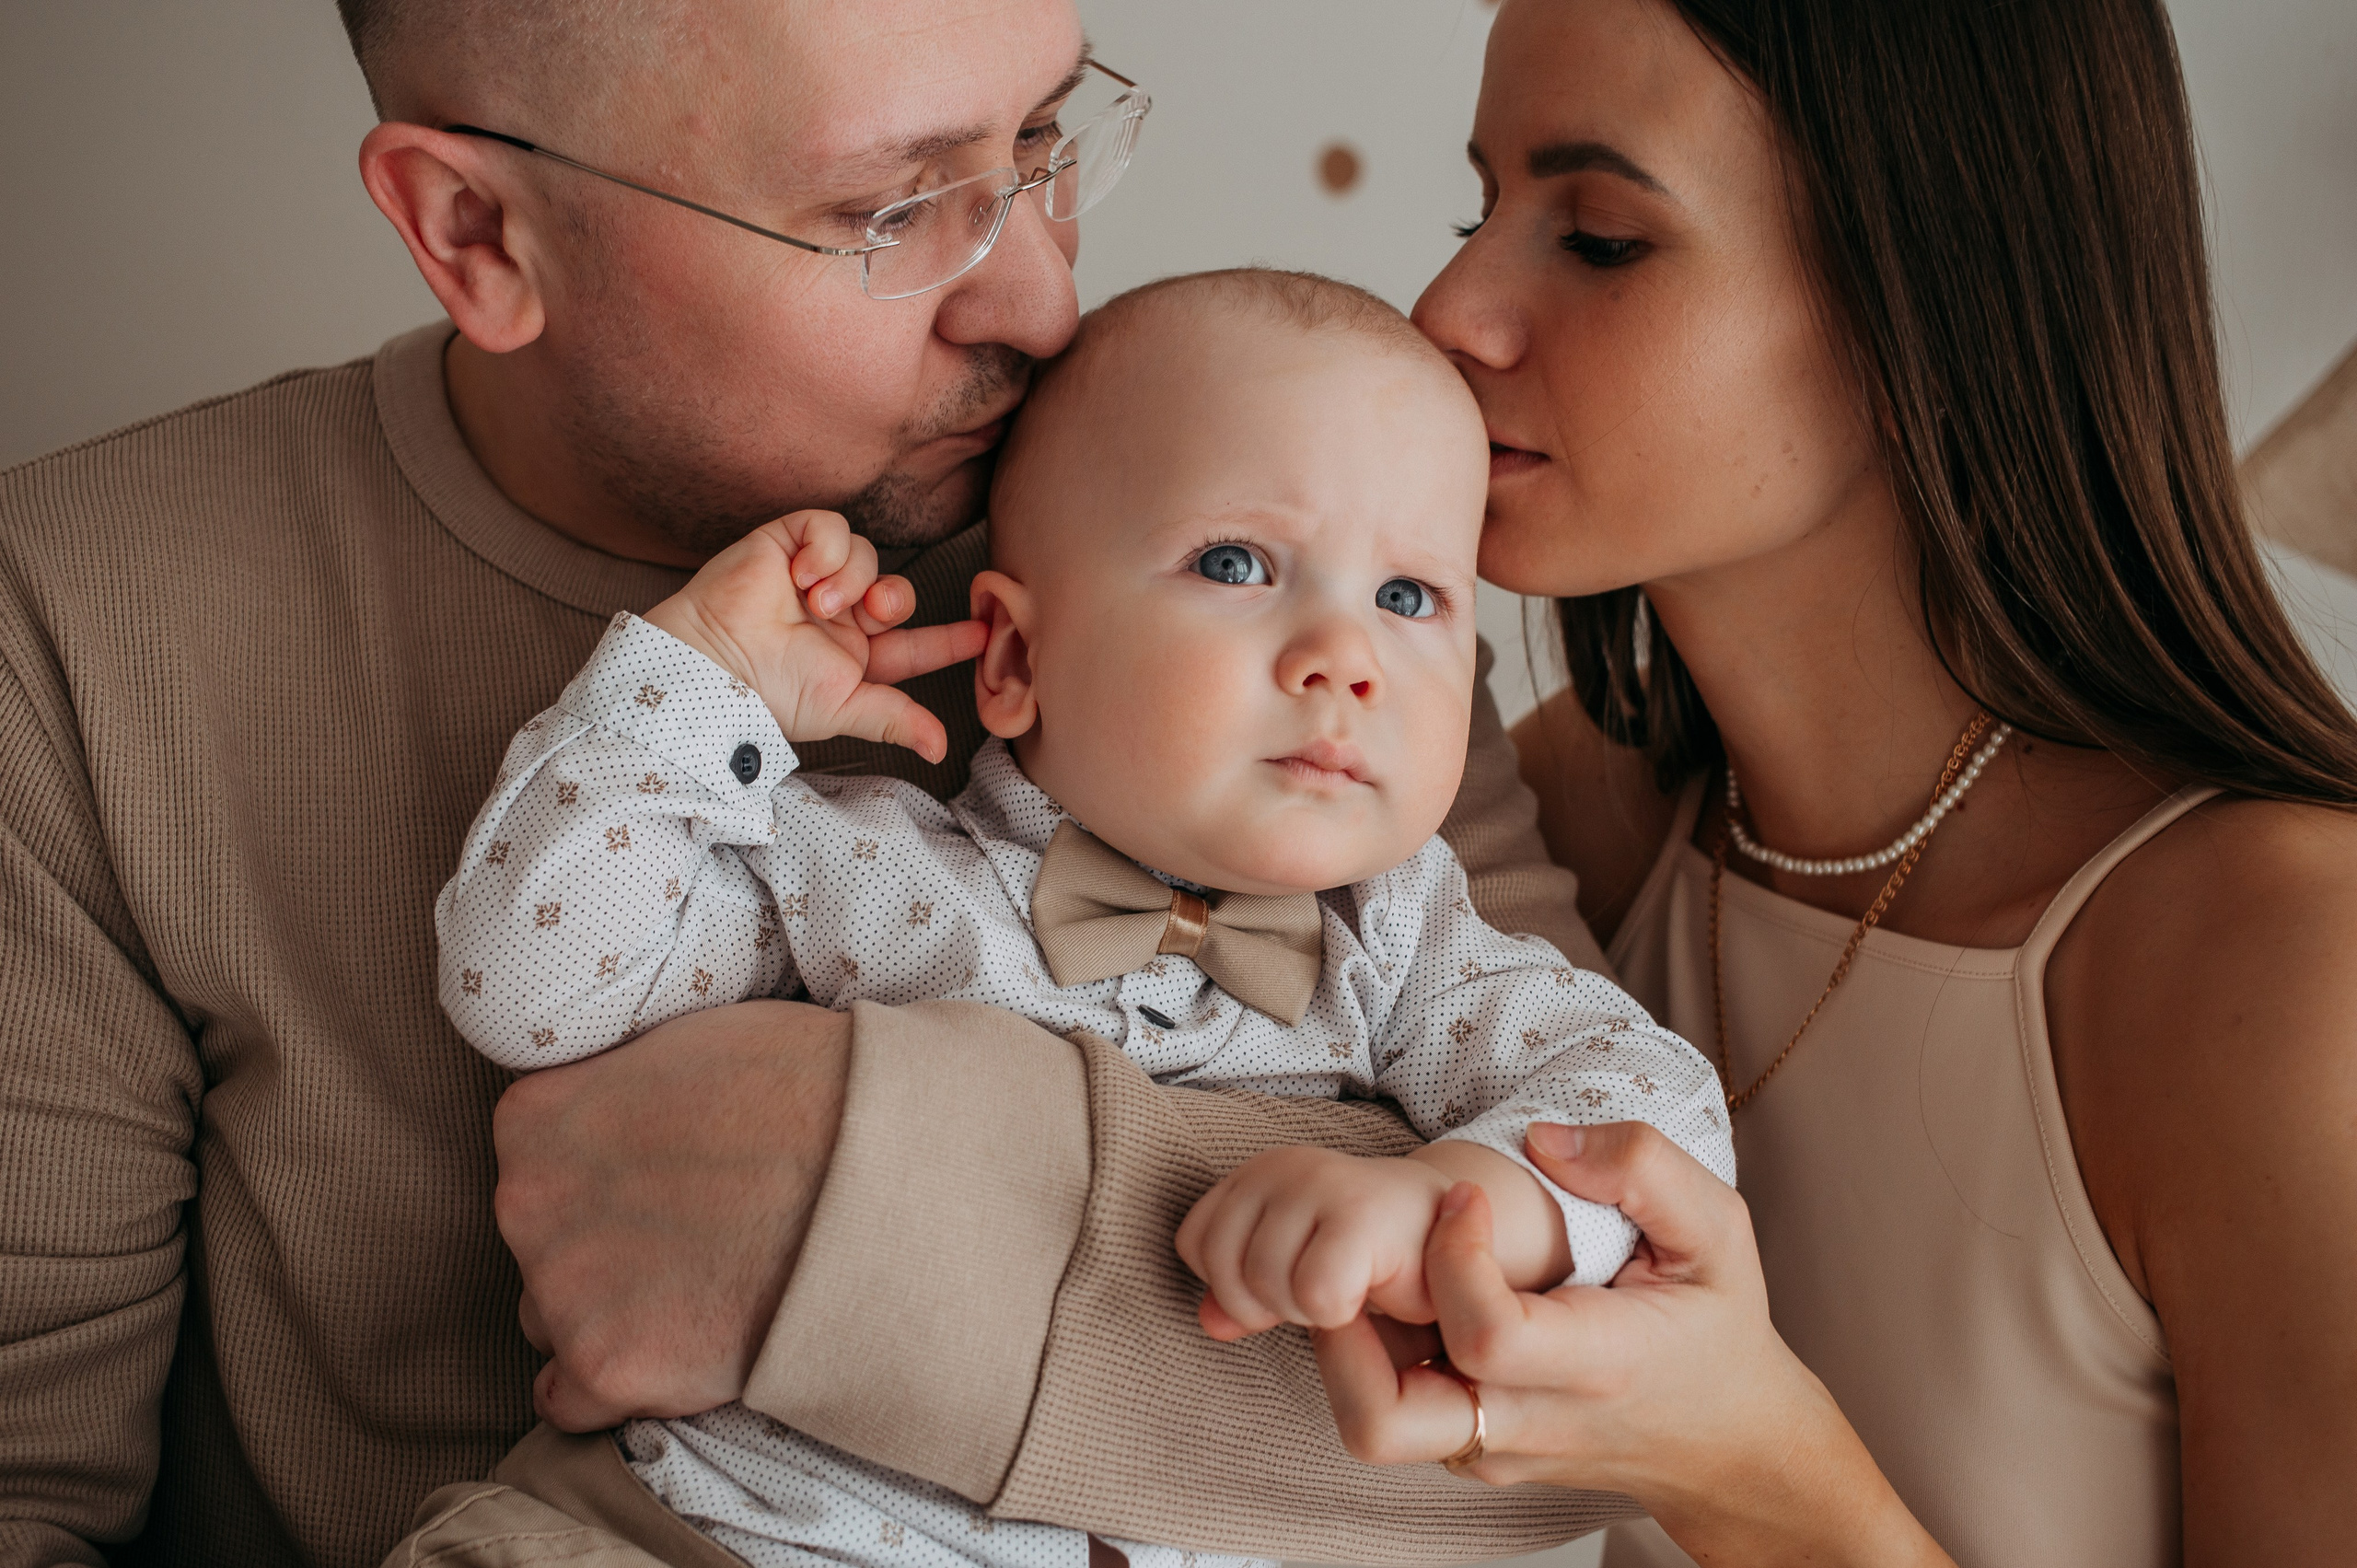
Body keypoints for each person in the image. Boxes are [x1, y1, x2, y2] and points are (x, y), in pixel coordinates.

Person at [0, 3, 1630, 1564]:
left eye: (1048, 137)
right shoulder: (72, 628)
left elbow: (1591, 1435)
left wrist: (852, 1205)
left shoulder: (1275, 573)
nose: (1044, 304)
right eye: (896, 207)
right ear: (476, 230)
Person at [433, 269, 1735, 1568]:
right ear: (1010, 658)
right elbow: (529, 987)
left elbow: (1654, 1125)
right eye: (1238, 564)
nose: (1347, 656)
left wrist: (1462, 1204)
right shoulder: (873, 874)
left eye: (1410, 598)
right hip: (705, 1535)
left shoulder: (1406, 957)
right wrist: (701, 683)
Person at [1304, 0, 2357, 1564]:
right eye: (1482, 205)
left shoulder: (2285, 977)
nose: (1450, 306)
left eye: (1596, 237)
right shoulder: (1571, 830)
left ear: (1933, 301)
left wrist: (1750, 1468)